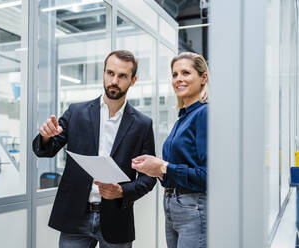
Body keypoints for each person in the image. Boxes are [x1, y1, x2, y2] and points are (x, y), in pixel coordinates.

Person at [32, 50, 157, 248]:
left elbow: (149, 178)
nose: (114, 80)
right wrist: (46, 136)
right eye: (110, 73)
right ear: (104, 73)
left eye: (123, 76)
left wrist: (122, 191)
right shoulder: (76, 112)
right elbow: (45, 150)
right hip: (75, 216)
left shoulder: (142, 124)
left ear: (133, 80)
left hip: (117, 217)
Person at [132, 52, 208, 248]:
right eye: (175, 74)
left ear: (203, 78)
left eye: (186, 73)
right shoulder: (182, 118)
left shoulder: (205, 113)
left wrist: (164, 167)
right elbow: (177, 169)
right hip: (173, 205)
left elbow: (208, 175)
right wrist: (155, 168)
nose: (178, 79)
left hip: (194, 207)